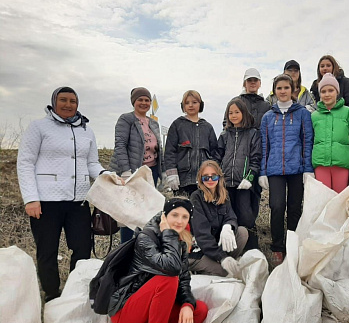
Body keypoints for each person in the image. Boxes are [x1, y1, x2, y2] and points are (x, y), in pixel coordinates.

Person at [17, 87, 107, 302]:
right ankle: (51, 294)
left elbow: (92, 163)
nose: (68, 104)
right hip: (46, 201)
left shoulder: (86, 130)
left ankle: (77, 292)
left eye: (72, 101)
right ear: (53, 102)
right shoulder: (38, 127)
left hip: (79, 201)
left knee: (82, 248)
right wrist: (31, 198)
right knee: (47, 250)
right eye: (63, 100)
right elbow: (25, 162)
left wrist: (107, 176)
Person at [109, 198, 208, 323]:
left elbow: (183, 279)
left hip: (148, 310)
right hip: (125, 310)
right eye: (174, 215)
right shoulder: (146, 238)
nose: (179, 221)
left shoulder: (179, 240)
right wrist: (168, 234)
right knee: (167, 279)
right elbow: (171, 269)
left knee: (199, 311)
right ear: (164, 216)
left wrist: (187, 304)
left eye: (184, 217)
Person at [259, 74, 314, 267]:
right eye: (279, 88)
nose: (283, 91)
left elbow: (307, 142)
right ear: (274, 91)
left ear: (293, 90)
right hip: (274, 170)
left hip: (296, 169)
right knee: (276, 206)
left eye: (286, 88)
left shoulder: (302, 114)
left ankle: (293, 245)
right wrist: (263, 172)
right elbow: (264, 145)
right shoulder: (267, 117)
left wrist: (308, 169)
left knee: (294, 208)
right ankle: (277, 247)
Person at [109, 87, 165, 242]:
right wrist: (126, 171)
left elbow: (158, 149)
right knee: (129, 214)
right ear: (134, 101)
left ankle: (143, 248)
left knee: (146, 213)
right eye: (140, 99)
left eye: (147, 100)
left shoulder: (153, 123)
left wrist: (162, 172)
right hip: (131, 174)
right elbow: (120, 145)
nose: (144, 103)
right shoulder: (126, 119)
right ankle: (125, 247)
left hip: (150, 171)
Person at [216, 98, 262, 250]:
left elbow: (256, 158)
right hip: (226, 183)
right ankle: (232, 250)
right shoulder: (224, 135)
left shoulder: (253, 134)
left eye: (237, 112)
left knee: (246, 217)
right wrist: (218, 177)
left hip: (244, 184)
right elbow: (217, 157)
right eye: (230, 113)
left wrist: (250, 178)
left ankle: (252, 251)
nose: (234, 115)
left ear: (243, 113)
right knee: (228, 217)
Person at [189, 160, 248, 277]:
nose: (210, 180)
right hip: (200, 248)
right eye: (206, 177)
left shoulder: (223, 195)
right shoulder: (196, 197)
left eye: (213, 177)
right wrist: (222, 257)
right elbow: (202, 235)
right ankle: (212, 266)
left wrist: (228, 227)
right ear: (201, 179)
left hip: (216, 244)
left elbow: (231, 216)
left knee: (242, 232)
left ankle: (225, 262)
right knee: (223, 272)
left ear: (219, 177)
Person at [311, 73, 349, 193]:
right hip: (320, 165)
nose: (327, 94)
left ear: (337, 92)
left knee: (340, 200)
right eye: (323, 91)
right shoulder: (314, 116)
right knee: (323, 201)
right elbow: (309, 142)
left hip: (342, 165)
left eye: (331, 90)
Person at [163, 90, 218, 196]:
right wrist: (171, 173)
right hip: (182, 180)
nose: (190, 105)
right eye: (187, 103)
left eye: (194, 102)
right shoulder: (177, 125)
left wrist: (213, 174)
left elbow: (214, 153)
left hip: (204, 180)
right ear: (183, 106)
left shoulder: (207, 127)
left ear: (200, 104)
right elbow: (170, 151)